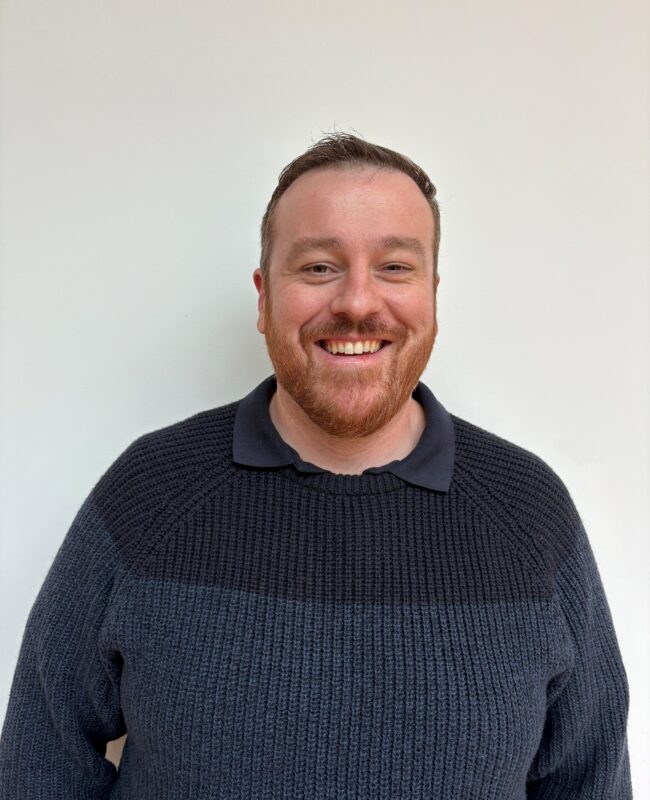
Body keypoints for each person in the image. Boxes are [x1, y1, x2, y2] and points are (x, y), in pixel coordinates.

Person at [0, 133, 632, 798]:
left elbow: (590, 781)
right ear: (264, 298)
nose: (357, 302)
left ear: (433, 296)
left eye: (394, 267)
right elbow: (40, 762)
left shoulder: (529, 513)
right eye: (319, 267)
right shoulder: (150, 494)